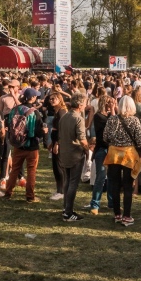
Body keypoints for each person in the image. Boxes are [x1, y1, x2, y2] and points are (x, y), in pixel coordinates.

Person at [104, 95, 141, 226]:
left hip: (114, 154)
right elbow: (139, 140)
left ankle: (117, 214)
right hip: (128, 154)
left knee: (114, 184)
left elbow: (105, 137)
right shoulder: (134, 121)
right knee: (128, 186)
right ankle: (127, 215)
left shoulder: (112, 119)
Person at [3, 88, 46, 203]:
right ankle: (30, 196)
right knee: (31, 171)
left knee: (15, 170)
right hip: (31, 145)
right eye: (35, 96)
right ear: (32, 98)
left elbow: (8, 123)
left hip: (18, 144)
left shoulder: (15, 109)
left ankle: (8, 193)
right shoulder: (34, 112)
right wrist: (44, 131)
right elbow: (38, 131)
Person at [58, 92, 89, 222]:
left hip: (64, 153)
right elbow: (82, 139)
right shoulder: (78, 118)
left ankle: (66, 208)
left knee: (67, 182)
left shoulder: (64, 116)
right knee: (73, 184)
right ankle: (68, 212)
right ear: (81, 105)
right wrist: (87, 149)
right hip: (75, 154)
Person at [86, 94, 112, 213]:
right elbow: (109, 125)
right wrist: (112, 111)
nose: (111, 105)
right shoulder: (98, 116)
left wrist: (112, 111)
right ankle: (95, 204)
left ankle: (111, 203)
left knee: (112, 178)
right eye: (109, 103)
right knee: (101, 177)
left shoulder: (110, 115)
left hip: (111, 150)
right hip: (102, 149)